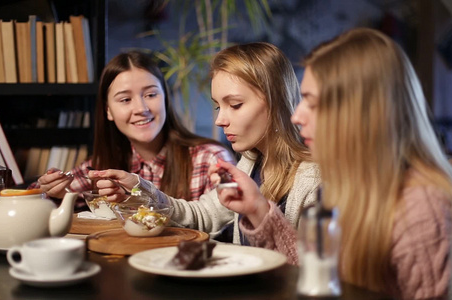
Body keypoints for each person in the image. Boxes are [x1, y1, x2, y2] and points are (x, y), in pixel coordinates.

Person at [215, 28, 452, 299]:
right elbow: (317, 275)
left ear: (360, 113)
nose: (296, 116)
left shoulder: (422, 208)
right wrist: (258, 209)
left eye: (313, 103)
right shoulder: (350, 185)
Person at [88, 42, 321, 245]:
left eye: (236, 105)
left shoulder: (315, 179)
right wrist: (138, 186)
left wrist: (259, 212)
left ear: (276, 101)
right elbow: (202, 216)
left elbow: (313, 266)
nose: (220, 120)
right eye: (218, 106)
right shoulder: (250, 164)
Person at [33, 50, 235, 204]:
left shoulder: (209, 159)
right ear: (108, 111)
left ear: (165, 99)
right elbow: (34, 195)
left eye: (150, 95)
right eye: (125, 99)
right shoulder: (101, 166)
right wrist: (53, 193)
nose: (141, 108)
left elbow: (226, 224)